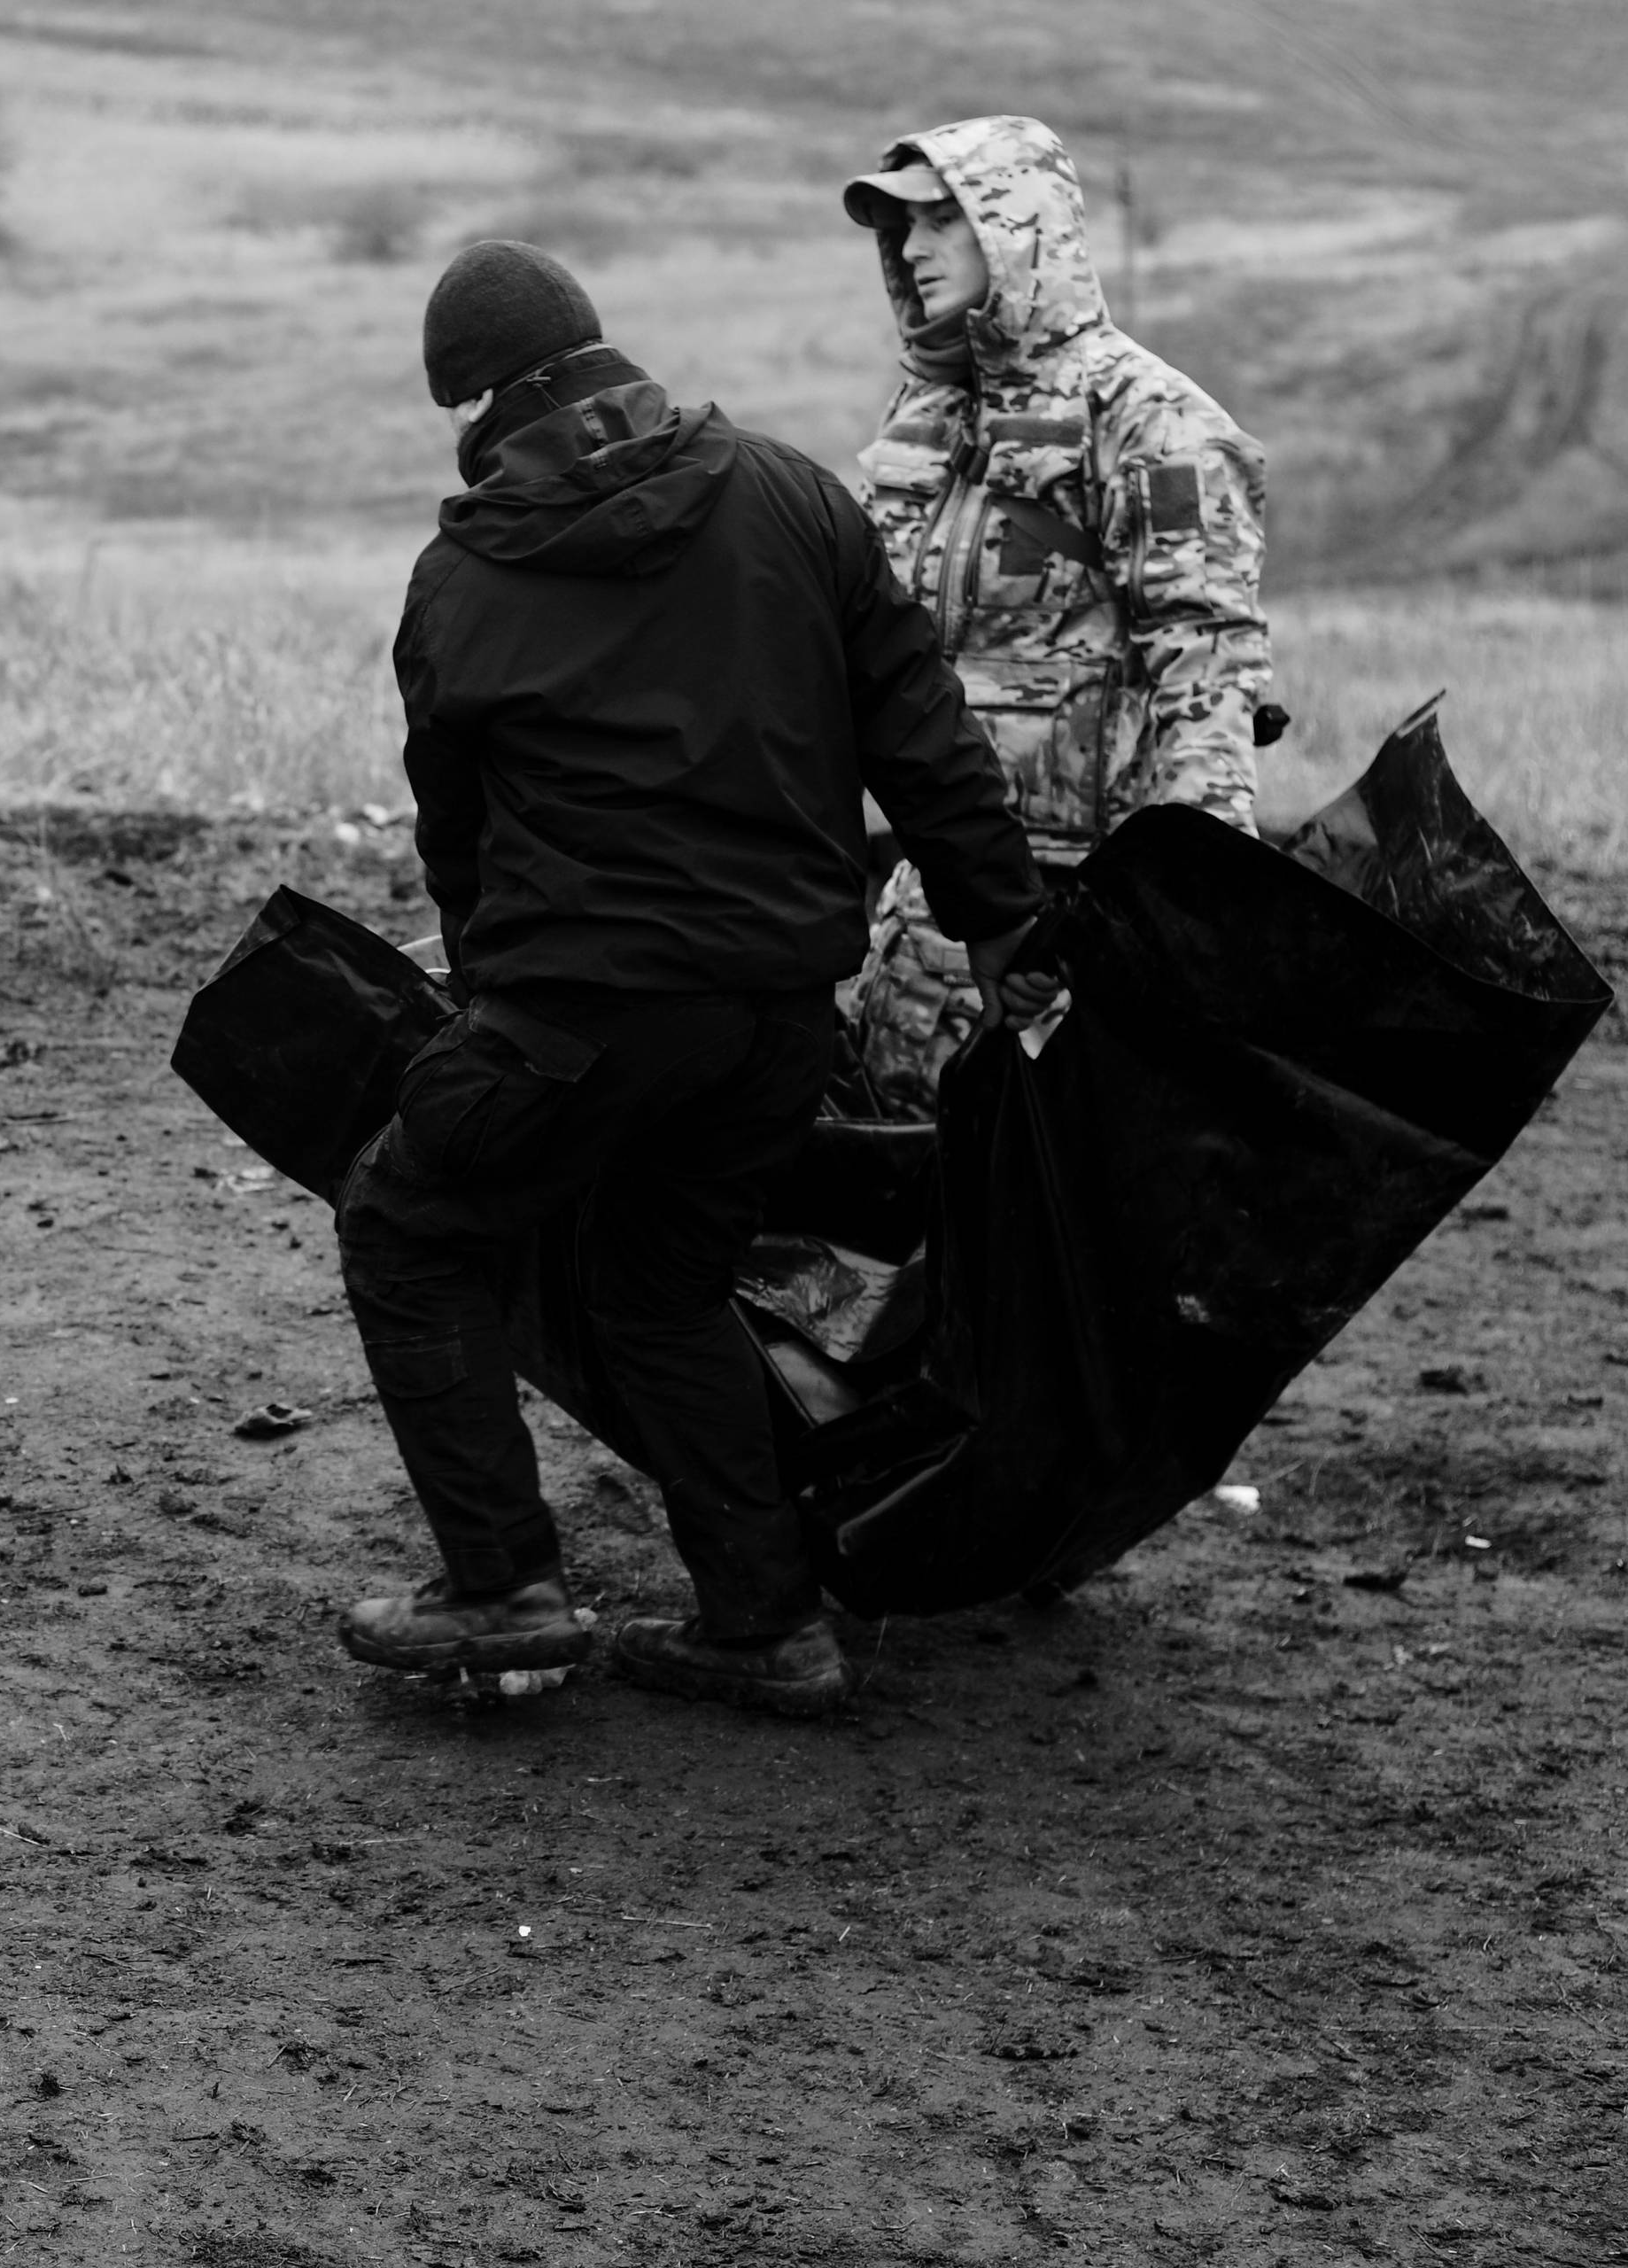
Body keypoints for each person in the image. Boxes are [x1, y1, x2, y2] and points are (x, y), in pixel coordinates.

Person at [334, 241, 1053, 1715]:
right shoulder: (794, 498)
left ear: (471, 403)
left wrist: (491, 1007)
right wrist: (1008, 933)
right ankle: (766, 1626)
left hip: (580, 1021)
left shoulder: (462, 580)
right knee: (657, 1286)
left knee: (408, 1227)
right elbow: (926, 742)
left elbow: (457, 840)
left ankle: (498, 1590)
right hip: (779, 1022)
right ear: (605, 358)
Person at [840, 115, 1276, 1117]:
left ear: (1018, 229)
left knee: (1066, 1242)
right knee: (903, 1222)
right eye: (901, 229)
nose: (911, 250)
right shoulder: (928, 417)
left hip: (1085, 936)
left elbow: (1206, 666)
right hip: (934, 905)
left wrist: (1186, 919)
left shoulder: (1150, 419)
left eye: (943, 221)